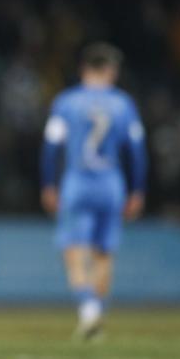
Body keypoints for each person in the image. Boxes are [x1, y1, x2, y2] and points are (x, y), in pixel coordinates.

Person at [40, 42, 147, 341]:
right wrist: (138, 189)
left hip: (78, 182)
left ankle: (88, 310)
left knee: (74, 253)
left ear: (84, 68)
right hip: (112, 183)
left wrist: (48, 183)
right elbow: (137, 152)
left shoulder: (67, 102)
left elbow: (51, 148)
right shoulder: (123, 103)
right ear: (110, 70)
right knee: (104, 254)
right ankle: (97, 315)